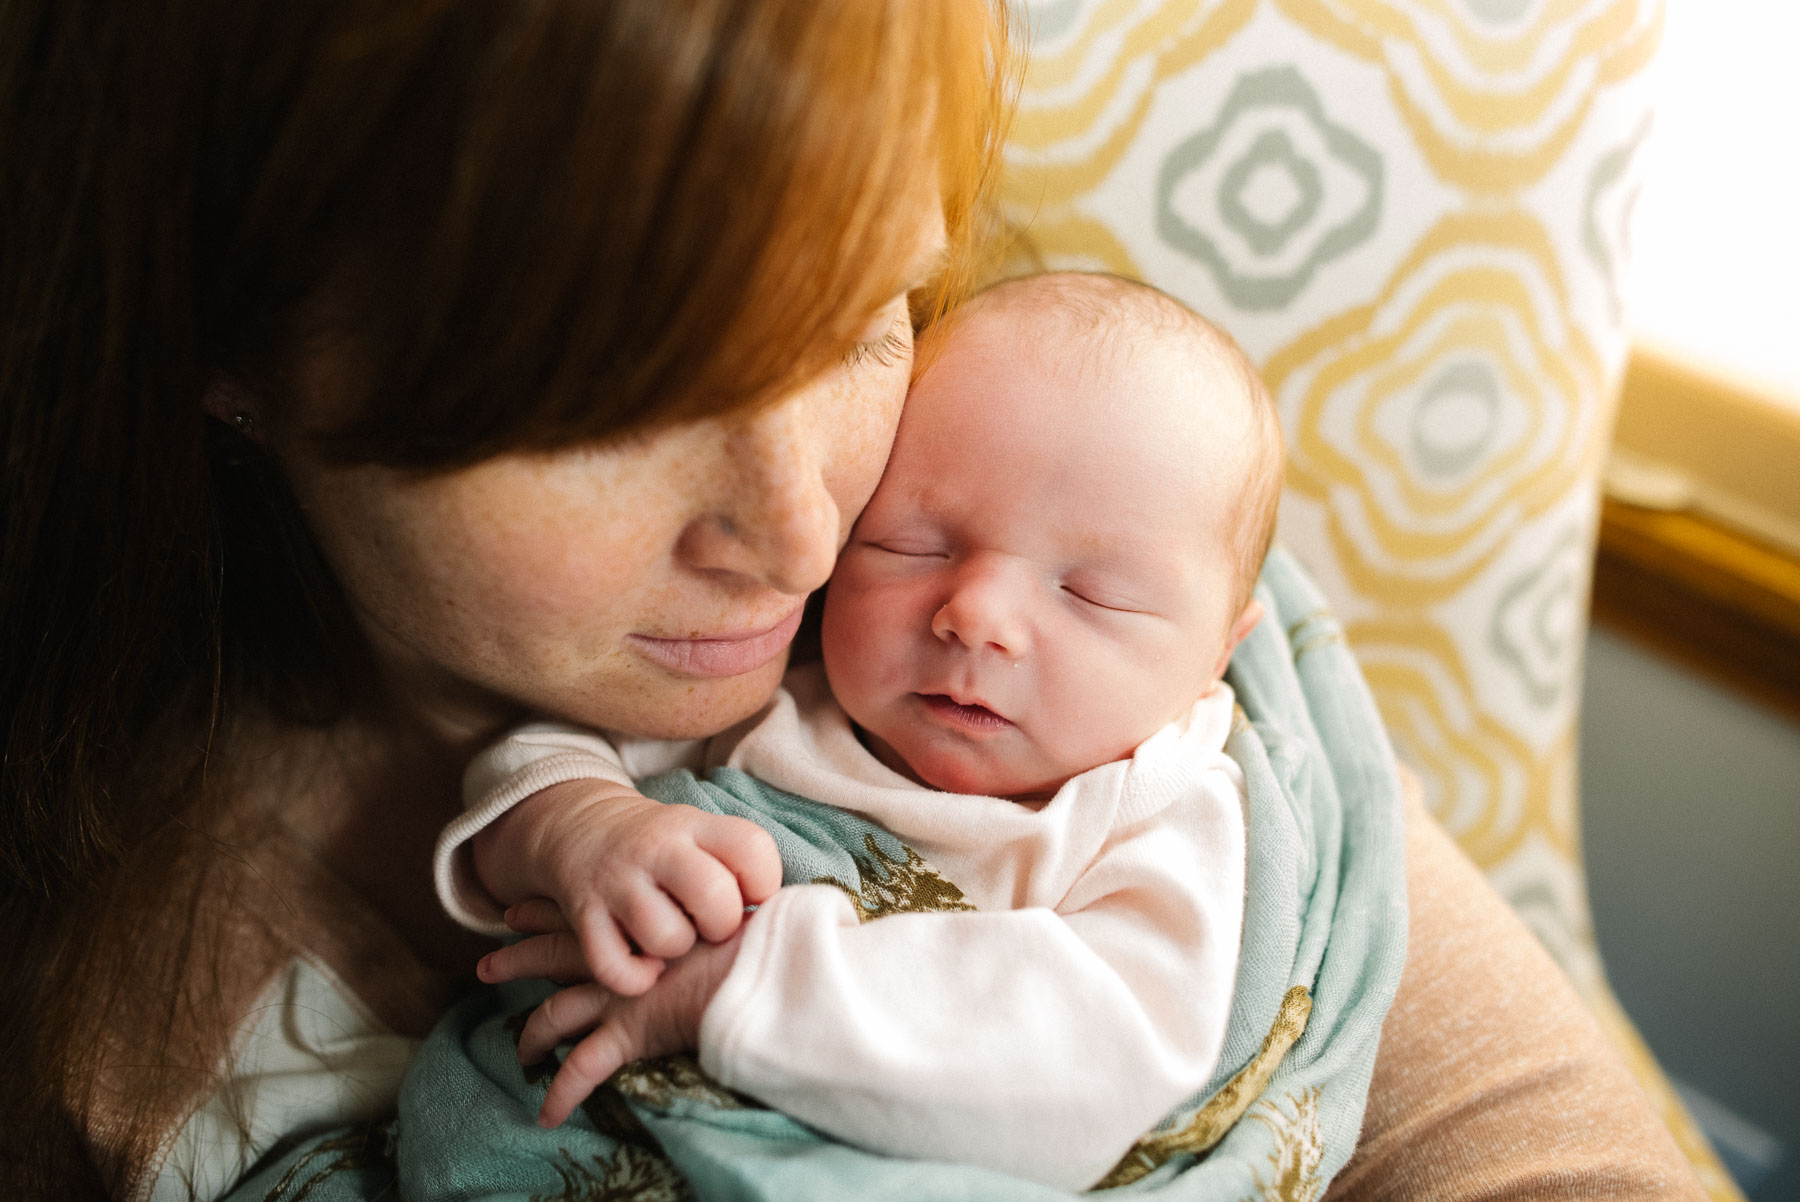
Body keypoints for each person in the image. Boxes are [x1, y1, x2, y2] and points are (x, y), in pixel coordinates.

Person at [0, 2, 1709, 1200]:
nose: (813, 522)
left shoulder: (1105, 621)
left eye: (869, 309)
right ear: (226, 334)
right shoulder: (127, 1054)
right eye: (613, 399)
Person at [430, 272, 1286, 1191]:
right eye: (912, 547)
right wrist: (580, 827)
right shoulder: (777, 699)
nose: (976, 615)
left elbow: (1106, 1055)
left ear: (1217, 656)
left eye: (1092, 595)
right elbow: (539, 759)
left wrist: (746, 984)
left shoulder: (1153, 809)